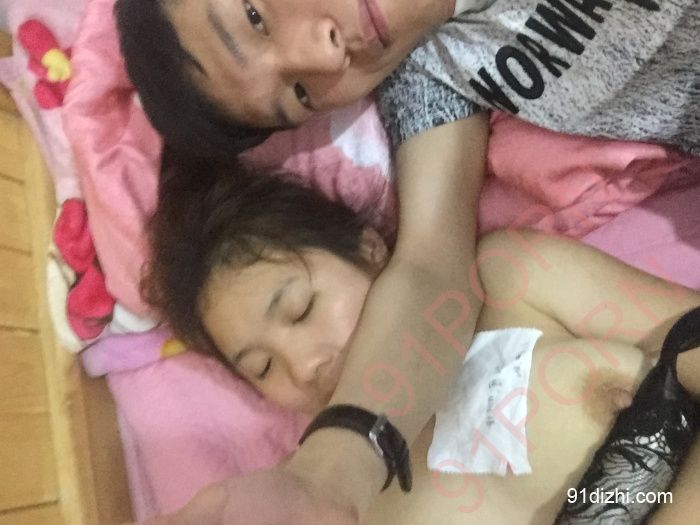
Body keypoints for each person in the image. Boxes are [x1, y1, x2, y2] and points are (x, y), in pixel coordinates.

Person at [116, 0, 699, 521]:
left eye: (254, 15)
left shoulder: (513, 282)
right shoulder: (431, 75)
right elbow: (432, 263)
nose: (323, 56)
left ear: (366, 246)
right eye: (299, 94)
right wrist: (326, 478)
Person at [142, 168, 700, 524]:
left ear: (368, 249)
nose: (305, 365)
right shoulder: (332, 506)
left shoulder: (506, 280)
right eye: (264, 368)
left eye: (301, 309)